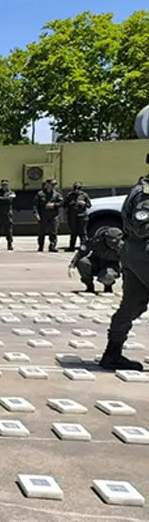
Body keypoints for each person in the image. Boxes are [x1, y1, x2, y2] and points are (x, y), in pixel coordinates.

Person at [100, 153, 149, 371]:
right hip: (144, 252)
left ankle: (112, 353)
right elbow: (142, 227)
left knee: (132, 304)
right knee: (130, 305)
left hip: (135, 253)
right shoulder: (145, 193)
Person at [72, 226, 123, 294]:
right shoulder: (96, 241)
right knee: (82, 262)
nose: (112, 245)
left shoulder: (122, 247)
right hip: (95, 263)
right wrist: (72, 266)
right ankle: (89, 285)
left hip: (110, 266)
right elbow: (82, 251)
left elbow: (127, 262)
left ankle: (108, 286)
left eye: (114, 243)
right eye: (110, 242)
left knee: (107, 276)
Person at [33, 179, 63, 252]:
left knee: (53, 232)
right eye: (52, 184)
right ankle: (41, 246)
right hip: (43, 216)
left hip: (53, 216)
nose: (53, 186)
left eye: (54, 185)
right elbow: (35, 205)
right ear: (47, 184)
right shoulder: (40, 194)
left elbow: (62, 202)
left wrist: (54, 205)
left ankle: (52, 246)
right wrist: (36, 214)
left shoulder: (57, 194)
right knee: (41, 232)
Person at [65, 181, 92, 252]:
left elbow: (89, 205)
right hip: (72, 216)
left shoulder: (84, 195)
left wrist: (84, 203)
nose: (77, 190)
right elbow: (64, 205)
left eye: (78, 188)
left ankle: (83, 247)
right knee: (73, 232)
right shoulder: (70, 195)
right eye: (75, 188)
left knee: (82, 232)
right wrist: (70, 203)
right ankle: (71, 247)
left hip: (82, 216)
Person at [0, 179, 16, 251]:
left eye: (5, 184)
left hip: (7, 214)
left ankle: (10, 244)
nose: (4, 186)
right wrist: (4, 199)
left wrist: (0, 199)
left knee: (9, 230)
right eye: (3, 185)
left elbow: (10, 200)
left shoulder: (11, 192)